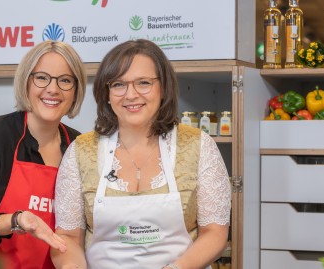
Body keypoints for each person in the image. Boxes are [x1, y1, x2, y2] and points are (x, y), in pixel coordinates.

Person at [51, 39, 231, 269]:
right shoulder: (81, 151)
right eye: (118, 84)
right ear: (106, 92)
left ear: (163, 87)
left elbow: (214, 232)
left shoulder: (198, 146)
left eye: (143, 83)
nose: (131, 95)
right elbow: (67, 237)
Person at [0, 40, 87, 269]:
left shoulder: (79, 147)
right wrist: (15, 220)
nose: (53, 89)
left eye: (65, 80)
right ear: (26, 82)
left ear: (76, 91)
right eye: (41, 77)